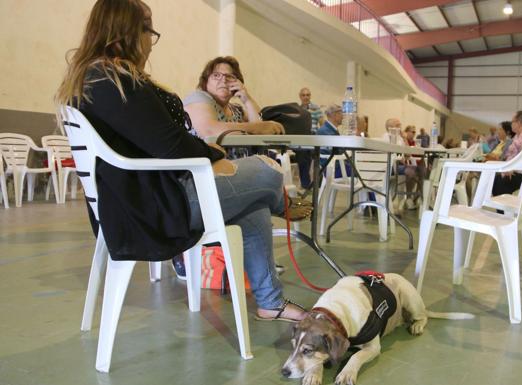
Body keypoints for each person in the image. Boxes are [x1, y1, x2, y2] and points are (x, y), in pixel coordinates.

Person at [55, 0, 306, 322]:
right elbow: (171, 143)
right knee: (266, 171)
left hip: (146, 199)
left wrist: (212, 159)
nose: (150, 41)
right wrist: (216, 155)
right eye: (148, 30)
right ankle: (283, 205)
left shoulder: (96, 78)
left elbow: (163, 140)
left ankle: (270, 302)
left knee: (255, 201)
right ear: (125, 33)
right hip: (155, 208)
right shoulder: (113, 80)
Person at [491, 111, 522, 196]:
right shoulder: (519, 135)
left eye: (512, 121)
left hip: (520, 172)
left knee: (498, 181)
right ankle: (503, 207)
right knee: (495, 180)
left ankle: (503, 208)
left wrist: (512, 168)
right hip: (515, 169)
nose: (511, 124)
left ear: (518, 123)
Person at [293, 87, 322, 189]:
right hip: (302, 137)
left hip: (314, 136)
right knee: (302, 157)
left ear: (310, 96)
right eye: (303, 95)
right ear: (300, 96)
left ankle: (318, 184)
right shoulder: (297, 109)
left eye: (308, 95)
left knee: (318, 157)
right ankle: (306, 185)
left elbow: (322, 123)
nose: (306, 97)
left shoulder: (316, 108)